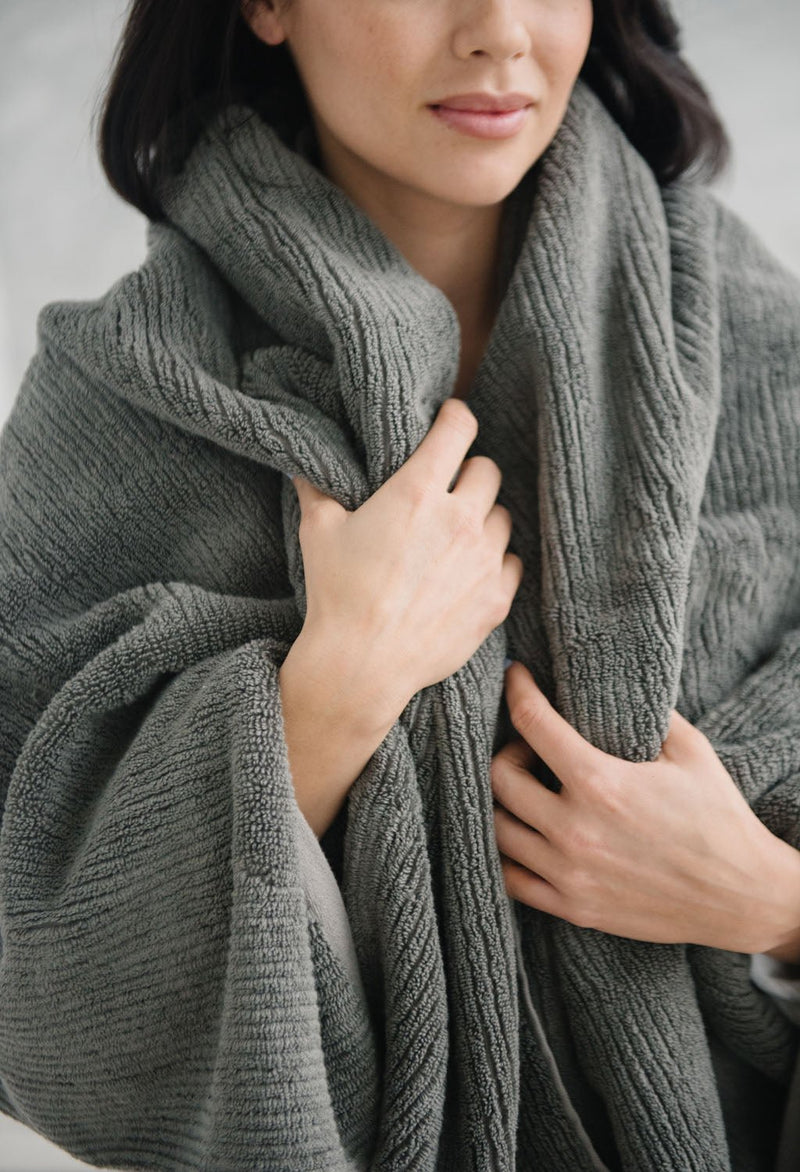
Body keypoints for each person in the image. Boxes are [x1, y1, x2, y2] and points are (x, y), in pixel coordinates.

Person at [1, 0, 799, 1169]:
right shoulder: (120, 393)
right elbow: (38, 971)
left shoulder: (744, 332)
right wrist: (335, 687)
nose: (499, 30)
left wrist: (771, 901)